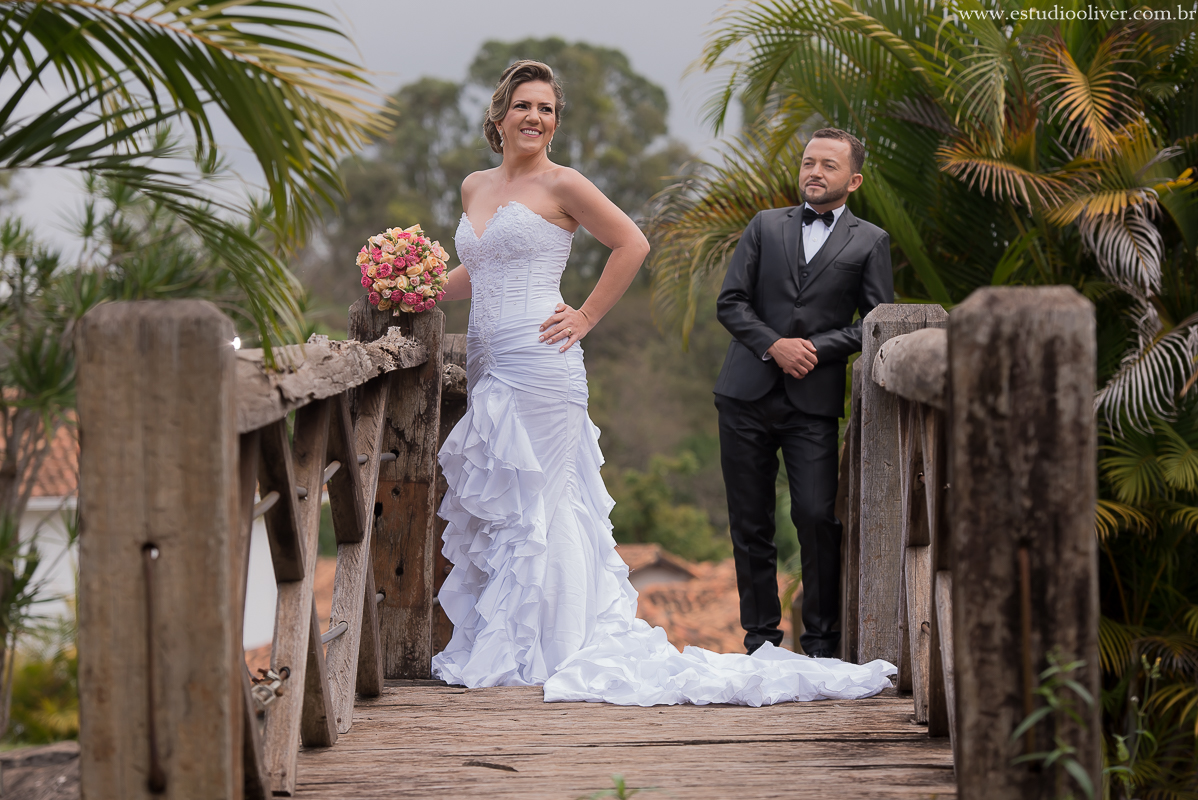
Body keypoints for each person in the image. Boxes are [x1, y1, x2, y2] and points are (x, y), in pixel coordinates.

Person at [429, 61, 896, 705]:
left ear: (555, 123)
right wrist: (411, 285)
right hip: (490, 361)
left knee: (547, 504)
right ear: (500, 114)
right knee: (507, 505)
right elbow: (478, 267)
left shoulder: (565, 183)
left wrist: (585, 316)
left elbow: (633, 244)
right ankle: (509, 641)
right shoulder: (473, 187)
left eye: (547, 109)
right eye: (524, 106)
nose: (535, 117)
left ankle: (552, 647)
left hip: (543, 361)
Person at [714, 128, 894, 659]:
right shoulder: (765, 225)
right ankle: (761, 642)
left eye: (828, 165)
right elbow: (731, 302)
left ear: (853, 180)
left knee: (817, 517)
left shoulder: (870, 241)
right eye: (808, 162)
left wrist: (813, 348)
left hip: (812, 404)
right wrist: (774, 345)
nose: (814, 172)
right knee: (750, 522)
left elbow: (876, 322)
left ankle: (821, 645)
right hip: (744, 394)